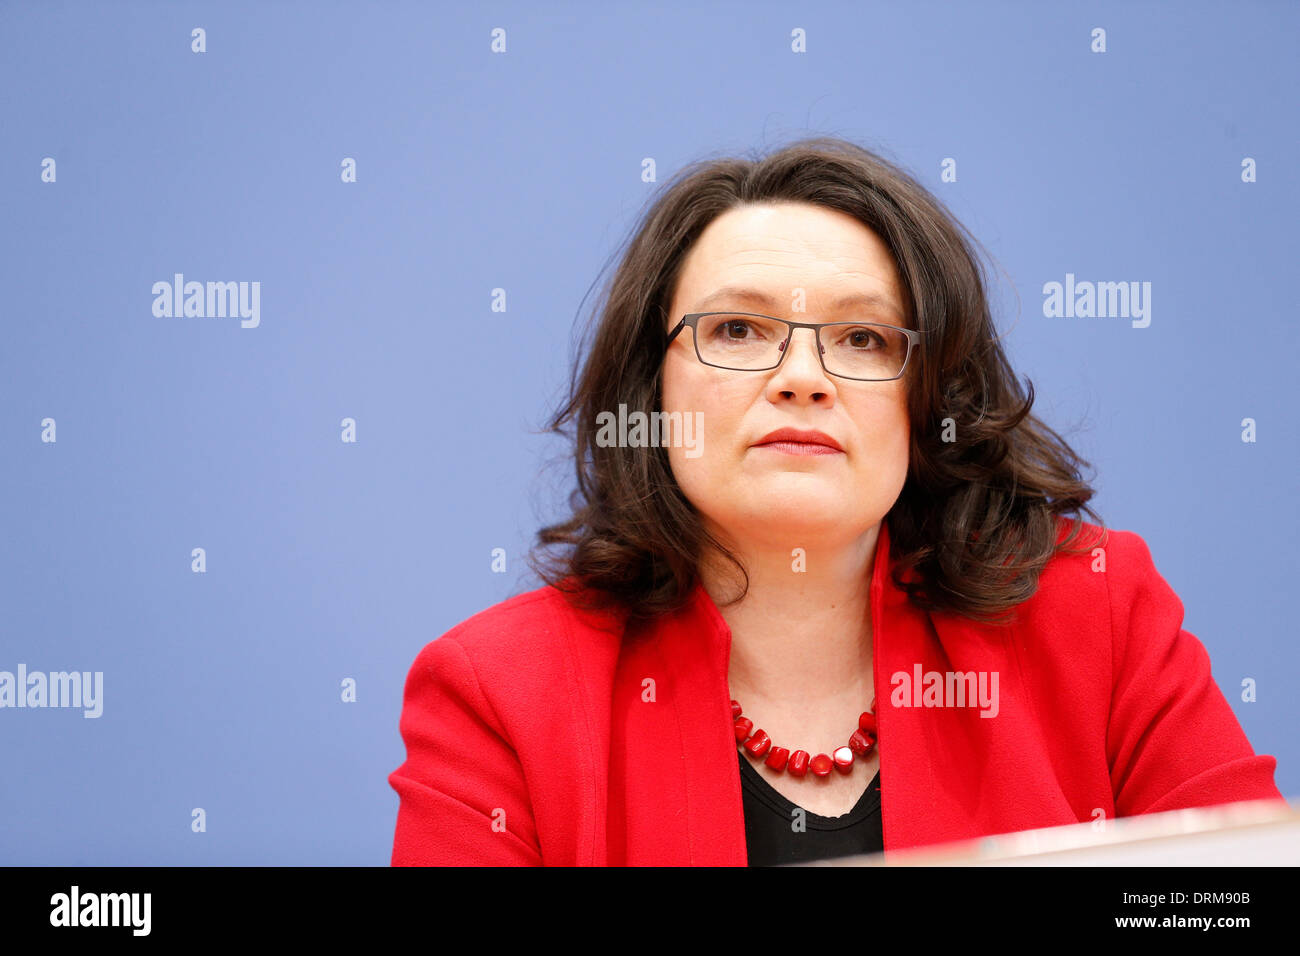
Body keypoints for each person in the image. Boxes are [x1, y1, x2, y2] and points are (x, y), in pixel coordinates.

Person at [388, 137, 1286, 866]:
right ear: (649, 391)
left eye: (862, 337)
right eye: (737, 329)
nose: (803, 379)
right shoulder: (497, 694)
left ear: (929, 398)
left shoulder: (1101, 614)